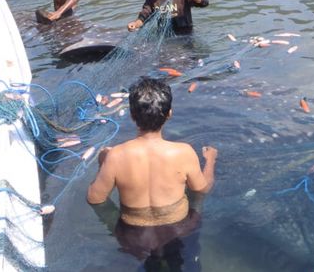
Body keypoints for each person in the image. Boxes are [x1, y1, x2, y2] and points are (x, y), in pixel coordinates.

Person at [87, 77, 217, 268]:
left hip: (134, 236)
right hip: (179, 229)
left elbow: (95, 198)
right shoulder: (184, 152)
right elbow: (202, 188)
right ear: (169, 114)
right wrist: (211, 160)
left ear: (132, 115)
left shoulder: (116, 156)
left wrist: (102, 162)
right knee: (194, 204)